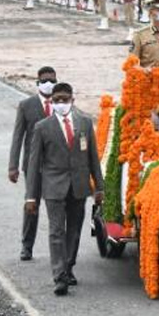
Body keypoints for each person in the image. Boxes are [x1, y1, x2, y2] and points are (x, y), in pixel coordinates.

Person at [24, 83, 104, 296]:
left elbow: (93, 158)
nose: (61, 103)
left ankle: (68, 266)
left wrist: (99, 188)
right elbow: (34, 165)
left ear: (72, 100)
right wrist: (31, 196)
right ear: (51, 102)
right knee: (56, 231)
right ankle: (59, 276)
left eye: (64, 100)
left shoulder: (85, 124)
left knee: (75, 231)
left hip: (78, 186)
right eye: (56, 100)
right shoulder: (42, 127)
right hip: (53, 188)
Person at [8, 65, 58, 261]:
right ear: (38, 83)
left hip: (56, 167)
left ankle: (58, 248)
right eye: (44, 80)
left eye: (52, 81)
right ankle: (26, 246)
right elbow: (17, 137)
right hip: (33, 166)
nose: (48, 84)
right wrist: (13, 166)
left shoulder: (62, 103)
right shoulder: (26, 106)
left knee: (57, 207)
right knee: (31, 205)